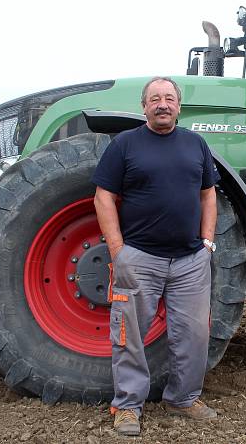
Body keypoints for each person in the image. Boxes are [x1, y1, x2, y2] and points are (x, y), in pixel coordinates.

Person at [92, 76, 220, 437]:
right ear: (144, 106)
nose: (162, 104)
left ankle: (183, 397)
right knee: (128, 334)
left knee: (194, 334)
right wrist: (118, 251)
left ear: (179, 106)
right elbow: (104, 197)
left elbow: (208, 194)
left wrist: (207, 243)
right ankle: (128, 406)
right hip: (140, 258)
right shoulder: (125, 144)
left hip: (190, 261)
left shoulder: (196, 144)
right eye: (154, 99)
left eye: (168, 98)